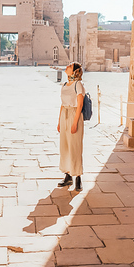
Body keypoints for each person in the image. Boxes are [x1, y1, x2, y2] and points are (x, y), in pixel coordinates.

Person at [57, 62, 85, 191]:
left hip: (74, 115)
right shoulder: (64, 85)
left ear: (74, 71)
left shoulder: (78, 85)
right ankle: (67, 175)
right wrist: (59, 122)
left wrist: (75, 122)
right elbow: (62, 104)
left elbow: (80, 105)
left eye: (69, 66)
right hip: (64, 115)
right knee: (65, 147)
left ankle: (78, 178)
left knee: (75, 147)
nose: (66, 67)